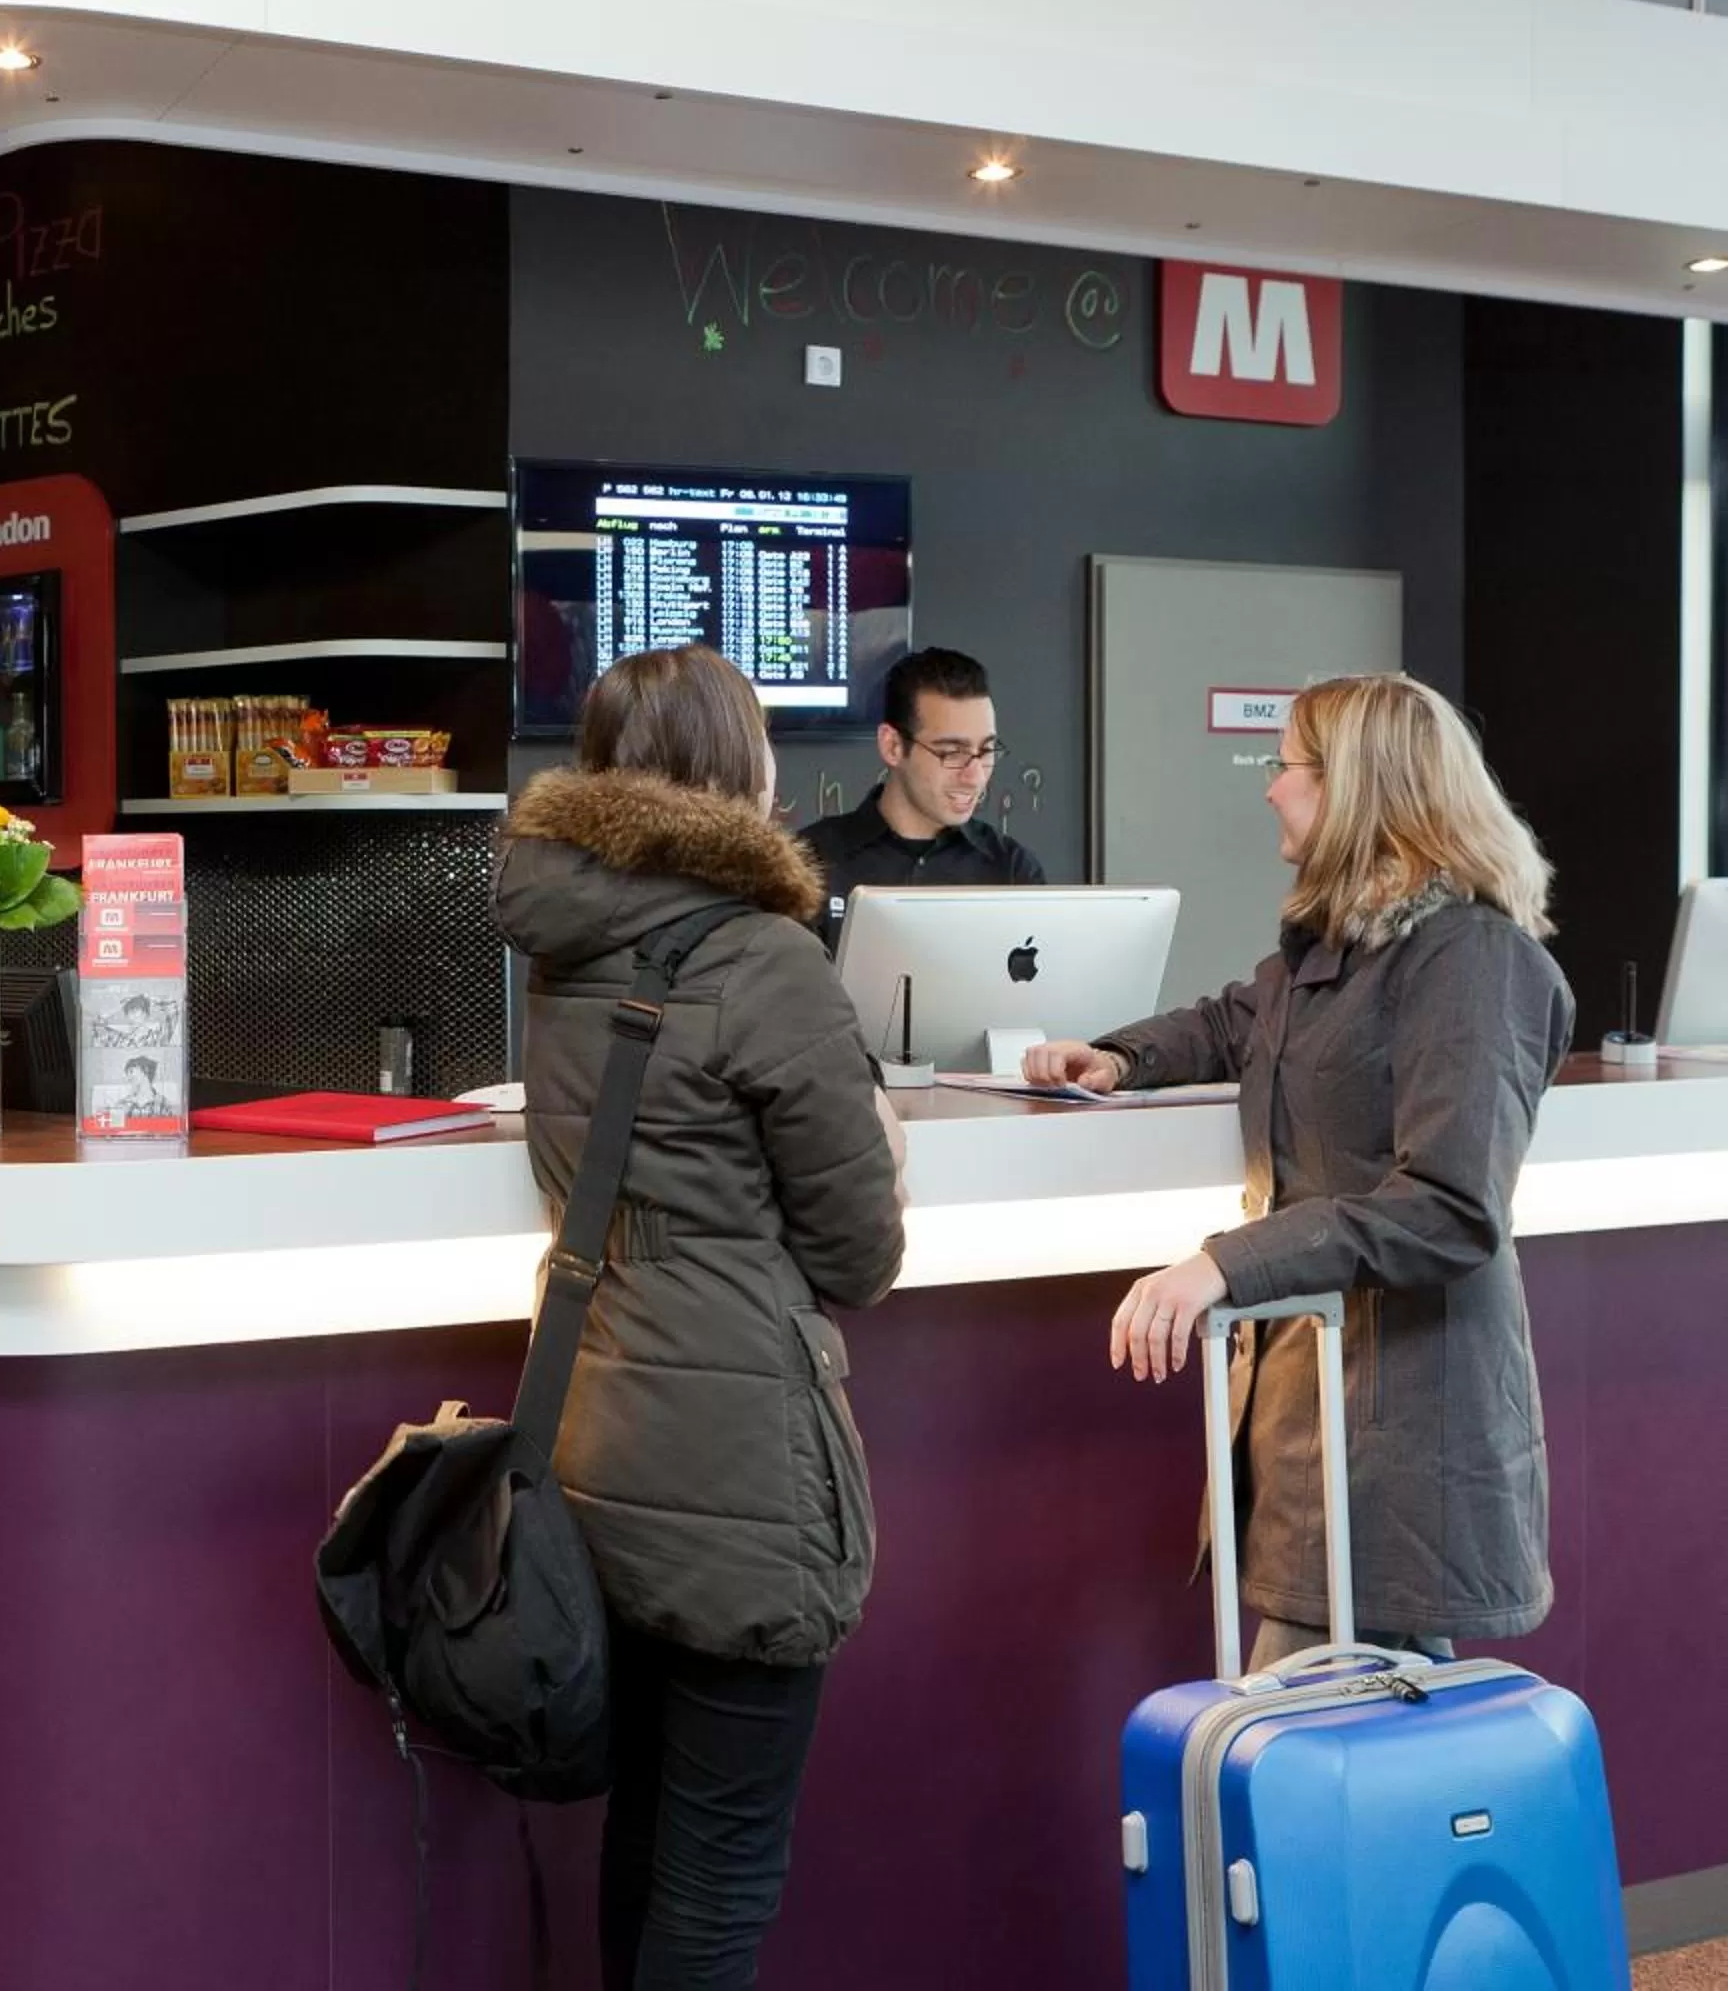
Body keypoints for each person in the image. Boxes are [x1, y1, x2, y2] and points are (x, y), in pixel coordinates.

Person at [496, 643, 908, 1989]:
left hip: (600, 1433)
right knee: (724, 1869)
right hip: (740, 1458)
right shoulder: (765, 958)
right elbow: (859, 1252)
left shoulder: (564, 942)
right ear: (741, 772)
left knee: (650, 1834)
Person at [1022, 674, 1569, 1668]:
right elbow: (1236, 1020)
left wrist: (1224, 1263)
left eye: (1289, 767)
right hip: (1321, 1416)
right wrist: (1117, 1055)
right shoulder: (1337, 949)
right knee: (1366, 1753)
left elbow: (1450, 1205)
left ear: (1355, 789)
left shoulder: (1472, 961)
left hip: (1402, 1430)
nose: (1271, 788)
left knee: (1326, 1736)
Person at [795, 646, 1045, 952]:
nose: (975, 776)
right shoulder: (809, 864)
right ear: (893, 747)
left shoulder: (1013, 871)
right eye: (953, 753)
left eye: (987, 751)